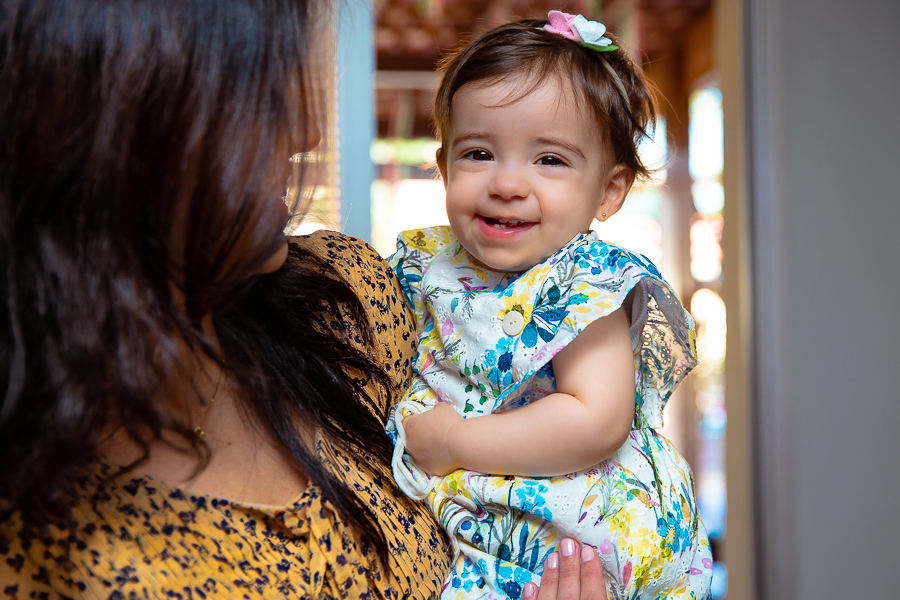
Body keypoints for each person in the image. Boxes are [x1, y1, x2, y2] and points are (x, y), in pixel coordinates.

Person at [0, 0, 456, 596]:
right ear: (107, 131)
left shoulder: (347, 302)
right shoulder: (35, 541)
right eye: (255, 94)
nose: (305, 135)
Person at [386, 11, 713, 599]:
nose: (508, 183)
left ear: (609, 191)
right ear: (442, 168)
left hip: (584, 528)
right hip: (486, 517)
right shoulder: (424, 263)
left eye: (550, 160)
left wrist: (456, 442)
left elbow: (596, 419)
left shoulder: (583, 278)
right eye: (479, 153)